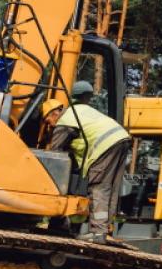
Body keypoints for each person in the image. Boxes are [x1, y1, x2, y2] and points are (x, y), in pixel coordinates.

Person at [41, 96, 131, 242]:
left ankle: (98, 232)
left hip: (104, 146)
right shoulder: (79, 109)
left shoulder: (65, 122)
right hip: (121, 138)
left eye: (47, 121)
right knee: (112, 188)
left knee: (99, 187)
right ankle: (105, 228)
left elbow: (55, 153)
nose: (50, 125)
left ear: (54, 113)